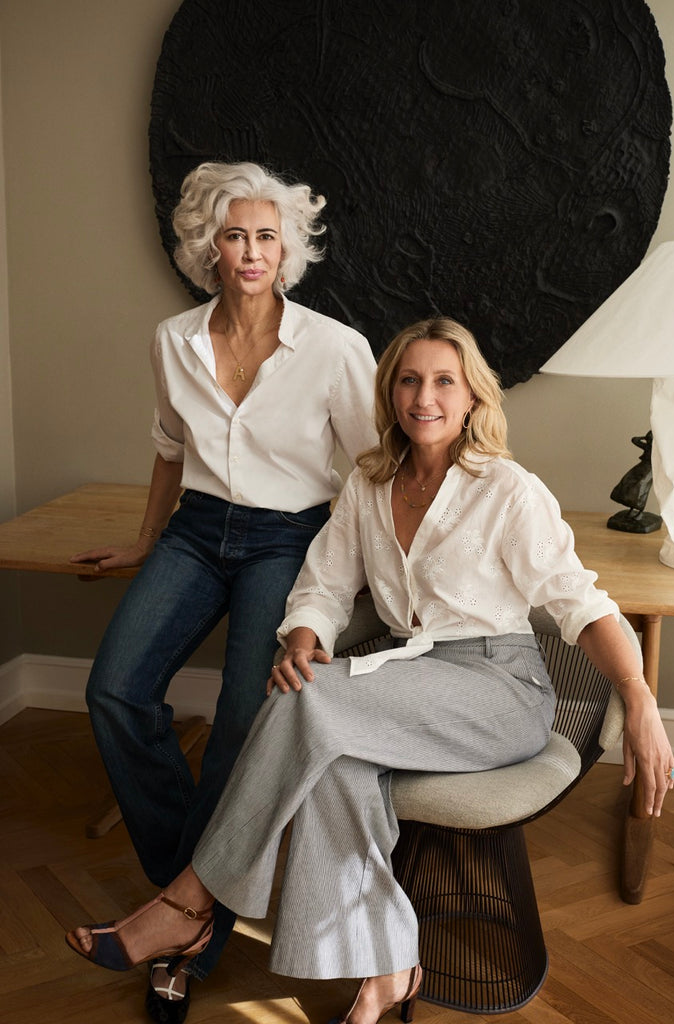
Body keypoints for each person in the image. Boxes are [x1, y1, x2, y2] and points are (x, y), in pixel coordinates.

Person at [67, 317, 674, 1024]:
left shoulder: (508, 489)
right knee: (335, 768)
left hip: (501, 691)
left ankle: (190, 901)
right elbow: (324, 586)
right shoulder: (370, 483)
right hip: (411, 682)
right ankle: (386, 974)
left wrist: (638, 697)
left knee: (303, 701)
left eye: (444, 381)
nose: (425, 397)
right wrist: (303, 636)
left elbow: (582, 605)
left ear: (472, 397)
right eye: (409, 380)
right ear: (389, 394)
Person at [69, 161, 377, 1022]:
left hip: (289, 537)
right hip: (197, 531)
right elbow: (170, 448)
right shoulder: (174, 339)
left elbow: (371, 474)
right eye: (235, 235)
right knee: (114, 689)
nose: (250, 251)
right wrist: (145, 540)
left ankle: (183, 929)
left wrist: (364, 575)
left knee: (245, 718)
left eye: (266, 237)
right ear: (210, 245)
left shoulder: (334, 347)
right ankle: (193, 891)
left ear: (288, 251)